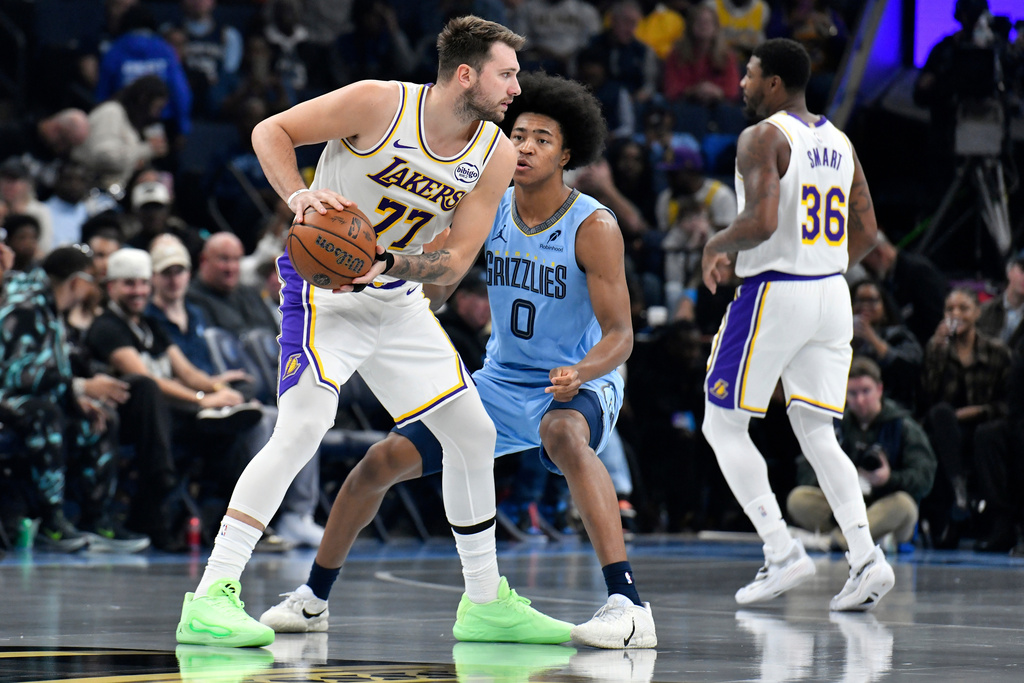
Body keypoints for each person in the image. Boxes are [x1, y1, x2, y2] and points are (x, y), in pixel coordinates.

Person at [175, 16, 573, 649]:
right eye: (507, 73)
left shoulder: (494, 154)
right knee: (304, 424)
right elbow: (269, 131)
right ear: (466, 74)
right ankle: (211, 596)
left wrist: (387, 263)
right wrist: (300, 198)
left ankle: (485, 602)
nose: (516, 90)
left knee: (473, 433)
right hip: (324, 293)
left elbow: (455, 261)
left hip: (395, 300)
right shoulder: (379, 102)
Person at [257, 71, 656, 649]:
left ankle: (628, 603)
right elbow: (439, 276)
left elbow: (621, 334)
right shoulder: (489, 208)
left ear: (567, 154)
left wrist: (584, 372)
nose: (525, 147)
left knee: (564, 435)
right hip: (500, 378)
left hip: (577, 379)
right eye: (518, 134)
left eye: (543, 139)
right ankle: (313, 597)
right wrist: (374, 274)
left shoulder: (591, 225)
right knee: (378, 464)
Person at [700, 38, 895, 611]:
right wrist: (820, 266)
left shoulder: (762, 136)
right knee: (817, 431)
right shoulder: (840, 140)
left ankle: (781, 551)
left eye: (750, 74)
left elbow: (759, 222)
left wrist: (717, 241)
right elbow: (868, 232)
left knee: (722, 423)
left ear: (775, 84)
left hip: (775, 290)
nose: (741, 84)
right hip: (832, 295)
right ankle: (866, 560)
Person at [0, 245, 148, 552]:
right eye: (91, 278)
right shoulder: (24, 307)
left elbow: (48, 372)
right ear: (77, 281)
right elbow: (14, 375)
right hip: (8, 401)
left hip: (35, 399)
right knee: (45, 414)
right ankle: (50, 520)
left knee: (99, 416)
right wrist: (78, 386)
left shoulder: (50, 309)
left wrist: (74, 395)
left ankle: (96, 518)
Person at [787, 357, 936, 553]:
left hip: (885, 504)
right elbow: (806, 468)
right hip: (844, 507)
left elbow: (924, 477)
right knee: (798, 499)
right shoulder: (835, 426)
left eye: (866, 391)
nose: (860, 400)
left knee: (905, 505)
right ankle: (872, 540)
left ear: (879, 390)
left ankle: (835, 542)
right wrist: (838, 479)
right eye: (853, 393)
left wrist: (889, 479)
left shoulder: (902, 426)